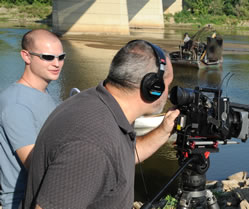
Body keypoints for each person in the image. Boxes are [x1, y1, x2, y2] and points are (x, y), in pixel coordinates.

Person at [22, 40, 180, 209]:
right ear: (152, 87)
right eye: (167, 84)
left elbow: (120, 157)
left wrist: (164, 130)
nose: (168, 93)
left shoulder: (95, 101)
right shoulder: (91, 144)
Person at [0, 29, 64, 209]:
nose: (57, 63)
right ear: (26, 56)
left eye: (61, 57)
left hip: (46, 195)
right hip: (26, 201)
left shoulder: (41, 93)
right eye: (48, 57)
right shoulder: (16, 104)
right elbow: (35, 163)